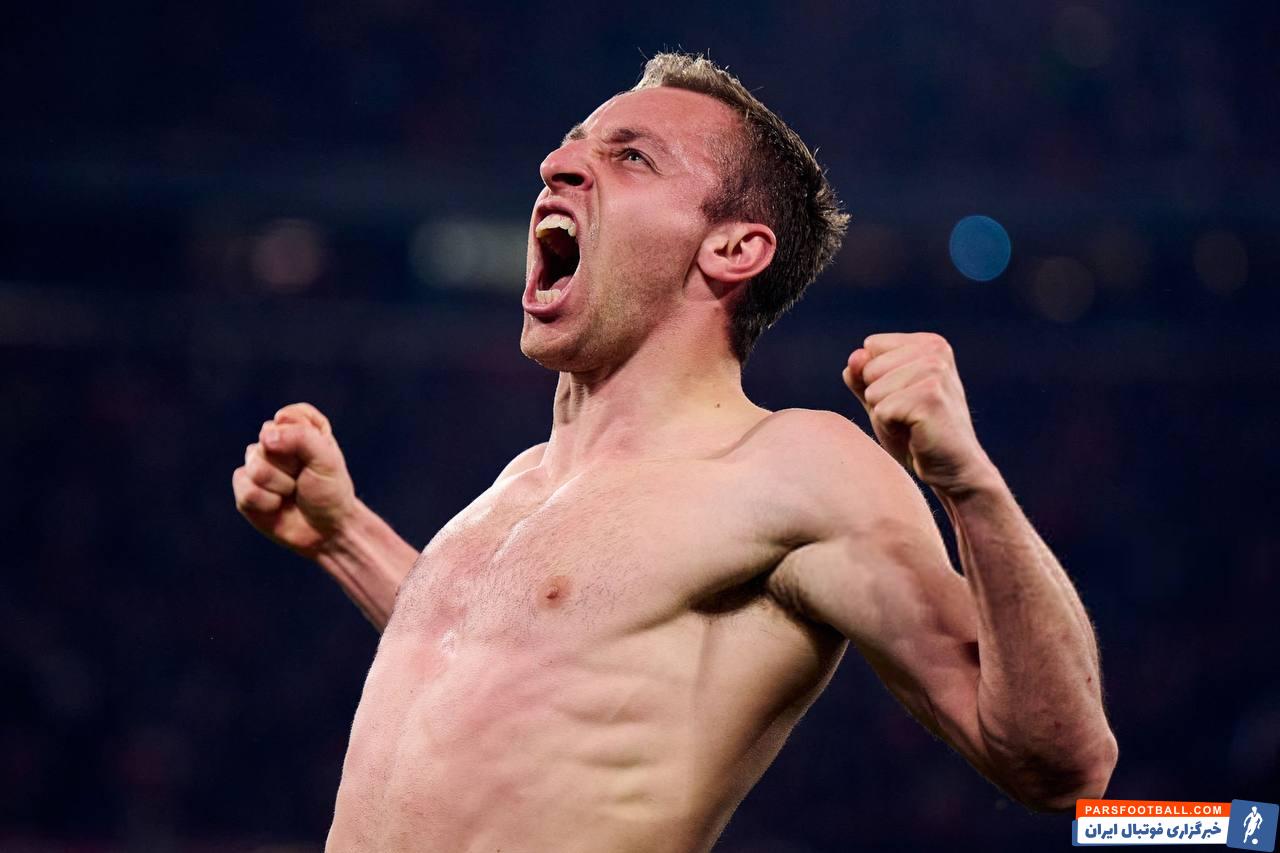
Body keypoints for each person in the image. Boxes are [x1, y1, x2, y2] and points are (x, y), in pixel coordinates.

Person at [232, 53, 1117, 852]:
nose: (557, 164)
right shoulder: (516, 485)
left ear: (732, 248)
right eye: (574, 143)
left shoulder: (792, 465)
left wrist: (969, 484)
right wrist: (345, 536)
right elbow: (512, 677)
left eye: (632, 157)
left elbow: (1062, 766)